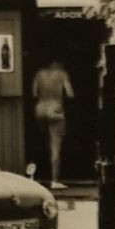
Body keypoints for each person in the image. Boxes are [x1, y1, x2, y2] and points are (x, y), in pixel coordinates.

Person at [31, 59, 74, 189]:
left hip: (40, 109)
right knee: (56, 146)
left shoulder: (39, 74)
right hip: (55, 109)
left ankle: (34, 175)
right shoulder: (62, 74)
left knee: (42, 142)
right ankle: (55, 180)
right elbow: (70, 93)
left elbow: (33, 93)